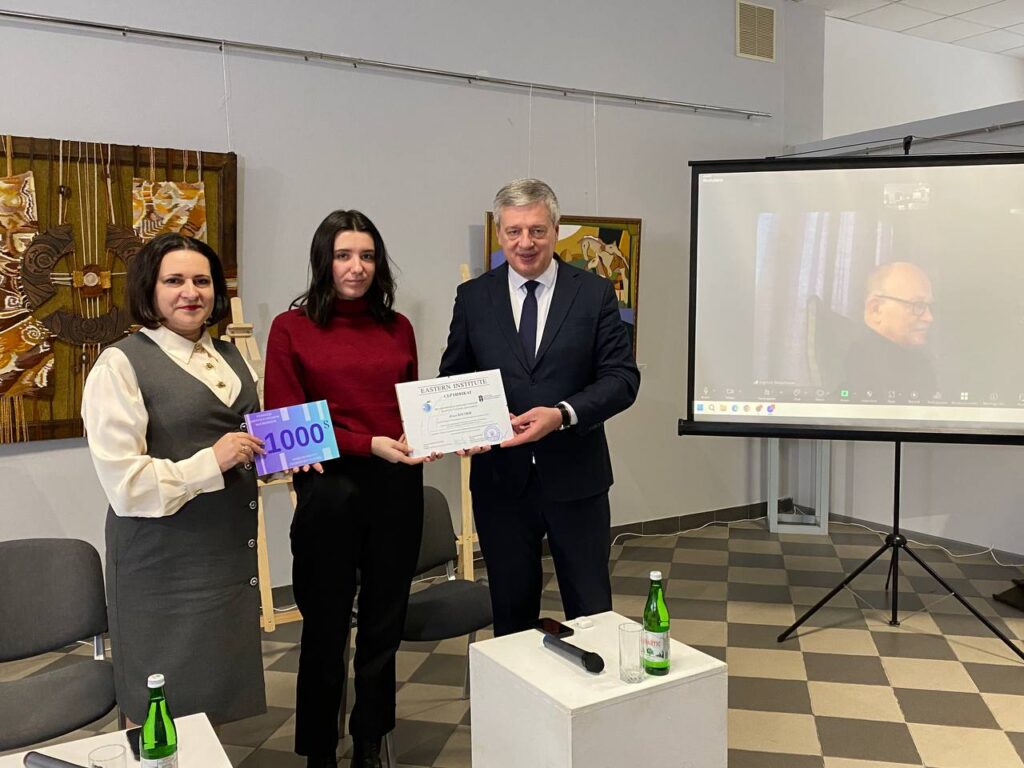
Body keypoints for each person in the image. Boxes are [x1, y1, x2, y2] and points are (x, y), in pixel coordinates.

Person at [264, 210, 434, 768]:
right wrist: (368, 443)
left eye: (366, 256)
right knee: (325, 629)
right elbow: (286, 422)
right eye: (343, 255)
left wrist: (421, 433)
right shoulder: (290, 328)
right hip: (330, 492)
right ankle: (319, 750)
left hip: (396, 485)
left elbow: (407, 404)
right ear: (323, 261)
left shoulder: (398, 326)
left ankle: (369, 742)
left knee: (384, 628)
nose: (356, 267)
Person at [439, 178, 640, 636]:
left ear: (556, 229)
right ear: (500, 232)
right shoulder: (474, 297)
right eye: (514, 231)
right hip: (500, 483)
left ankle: (593, 682)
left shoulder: (594, 293)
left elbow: (622, 379)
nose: (525, 243)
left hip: (577, 479)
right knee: (511, 613)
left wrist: (562, 414)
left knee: (591, 610)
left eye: (536, 230)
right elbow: (453, 378)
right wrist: (465, 425)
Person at [81, 233, 267, 726]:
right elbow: (125, 484)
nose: (191, 292)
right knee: (158, 695)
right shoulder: (119, 364)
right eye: (174, 281)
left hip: (225, 553)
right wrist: (212, 461)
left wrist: (283, 455)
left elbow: (250, 438)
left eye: (202, 281)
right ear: (150, 288)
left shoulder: (232, 356)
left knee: (211, 689)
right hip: (160, 563)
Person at [844, 261, 937, 397]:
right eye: (918, 305)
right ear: (876, 309)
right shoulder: (856, 363)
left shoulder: (919, 361)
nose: (929, 318)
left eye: (929, 306)